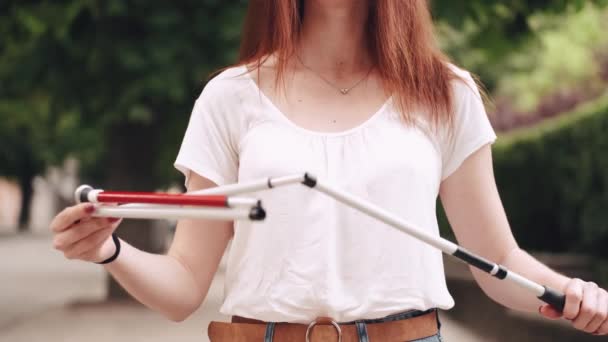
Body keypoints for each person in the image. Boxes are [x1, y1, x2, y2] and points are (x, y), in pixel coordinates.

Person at [50, 1, 607, 341]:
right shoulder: (229, 98)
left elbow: (498, 263)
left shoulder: (447, 94)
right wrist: (107, 252)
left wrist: (574, 294)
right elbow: (183, 288)